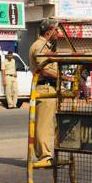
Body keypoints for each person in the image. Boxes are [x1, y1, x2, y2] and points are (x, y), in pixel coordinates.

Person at [28, 19, 60, 162]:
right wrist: (65, 77)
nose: (58, 34)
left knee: (50, 124)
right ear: (48, 32)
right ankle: (45, 156)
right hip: (45, 87)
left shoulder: (45, 46)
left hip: (49, 88)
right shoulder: (40, 46)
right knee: (44, 125)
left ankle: (47, 155)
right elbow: (45, 70)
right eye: (56, 31)